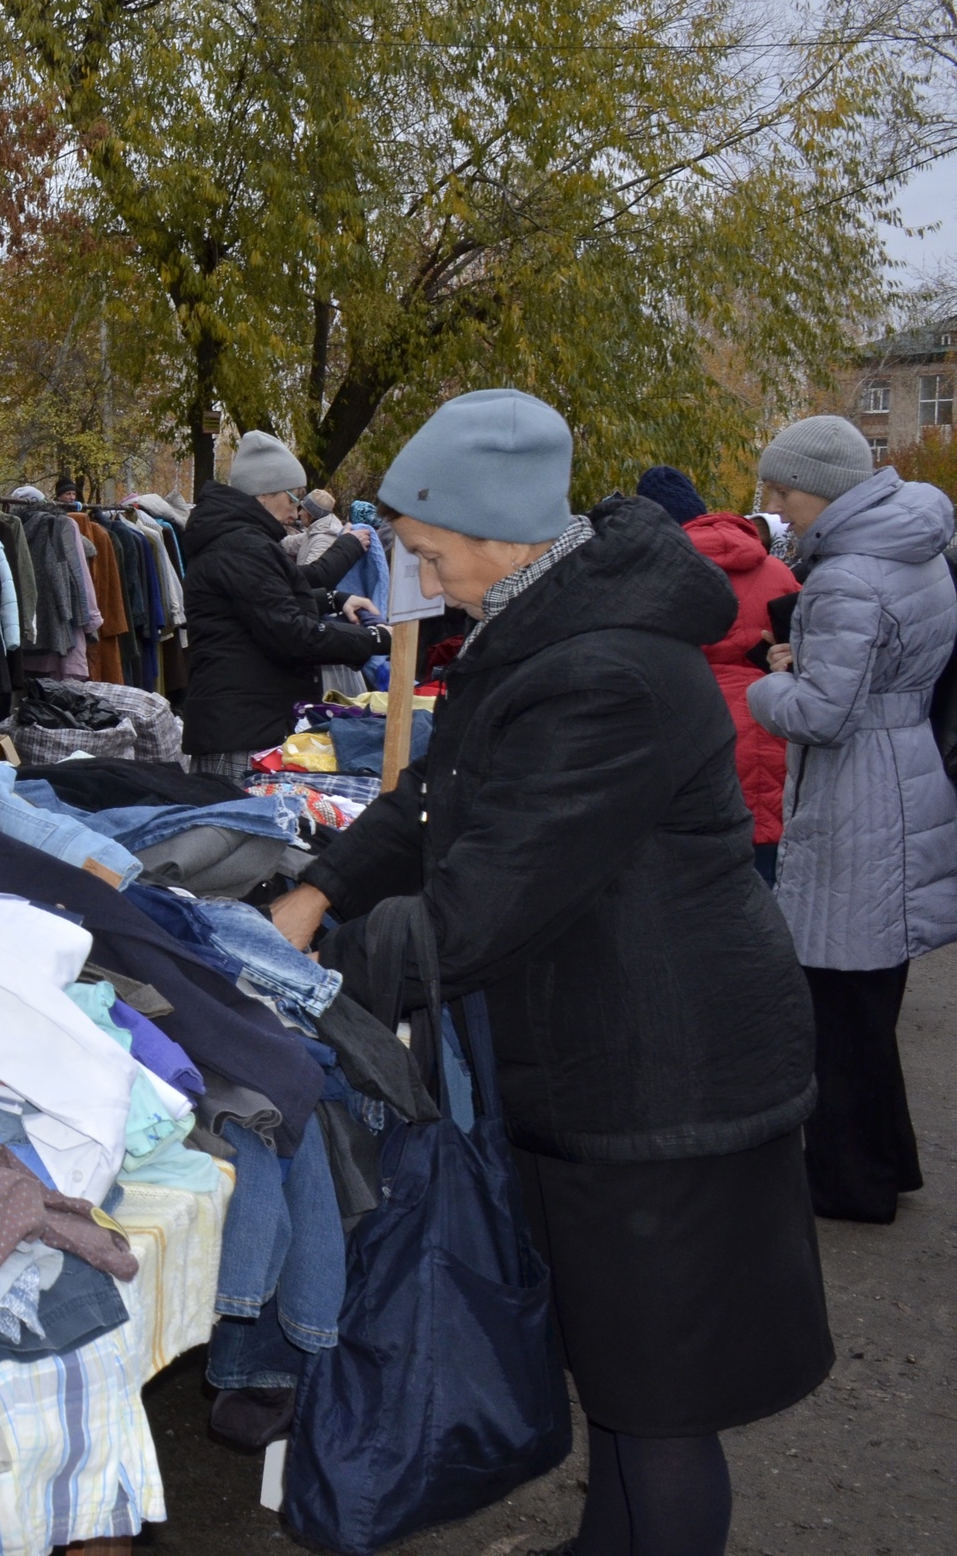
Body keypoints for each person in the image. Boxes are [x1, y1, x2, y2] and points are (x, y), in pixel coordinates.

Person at [271, 389, 829, 1556]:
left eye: (427, 554)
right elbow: (438, 797)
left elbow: (477, 911)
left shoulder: (602, 674)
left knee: (660, 1402)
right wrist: (319, 887)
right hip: (607, 1055)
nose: (421, 578)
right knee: (628, 1377)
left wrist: (316, 960)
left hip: (664, 1080)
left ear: (491, 531)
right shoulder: (546, 629)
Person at [747, 413, 957, 1224]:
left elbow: (823, 716)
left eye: (784, 490)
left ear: (824, 490)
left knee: (836, 1005)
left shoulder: (844, 575)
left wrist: (770, 684)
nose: (777, 504)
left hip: (857, 790)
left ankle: (849, 1181)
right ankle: (886, 1160)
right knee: (870, 1002)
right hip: (904, 771)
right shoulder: (915, 548)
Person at [181, 430, 393, 778]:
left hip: (242, 721)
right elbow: (290, 633)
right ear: (266, 493)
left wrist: (336, 599)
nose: (297, 512)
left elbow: (266, 600)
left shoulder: (239, 540)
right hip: (241, 730)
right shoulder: (241, 545)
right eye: (294, 498)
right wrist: (376, 640)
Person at [682, 507, 798, 885]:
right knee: (773, 851)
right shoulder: (779, 572)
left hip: (702, 713)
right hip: (772, 708)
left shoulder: (677, 574)